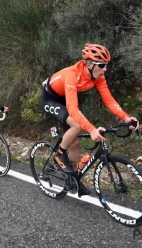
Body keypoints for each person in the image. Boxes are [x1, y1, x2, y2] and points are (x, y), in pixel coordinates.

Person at [41, 43, 139, 196]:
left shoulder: (98, 75)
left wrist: (126, 117)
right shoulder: (73, 73)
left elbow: (109, 100)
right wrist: (92, 129)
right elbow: (72, 108)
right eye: (102, 65)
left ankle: (71, 178)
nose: (105, 69)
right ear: (88, 64)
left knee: (75, 142)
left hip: (66, 99)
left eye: (106, 65)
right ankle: (59, 154)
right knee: (77, 127)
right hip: (51, 99)